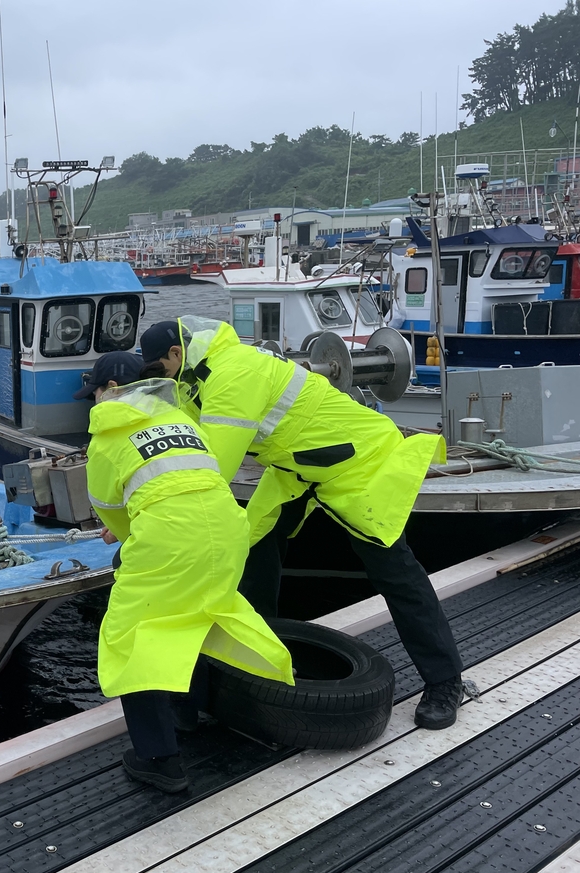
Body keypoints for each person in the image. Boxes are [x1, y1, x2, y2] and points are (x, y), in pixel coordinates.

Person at [138, 317, 466, 729]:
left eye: (157, 368)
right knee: (253, 548)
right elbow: (179, 440)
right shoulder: (191, 379)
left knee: (393, 570)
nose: (157, 378)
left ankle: (445, 682)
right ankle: (255, 664)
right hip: (297, 465)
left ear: (176, 353)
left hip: (357, 459)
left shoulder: (232, 373)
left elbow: (211, 470)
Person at [75, 351, 294, 792]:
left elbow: (111, 513)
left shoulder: (106, 439)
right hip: (228, 533)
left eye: (93, 392)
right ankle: (185, 712)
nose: (92, 401)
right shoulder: (183, 422)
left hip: (169, 543)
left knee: (133, 640)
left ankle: (158, 759)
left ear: (107, 391)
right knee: (194, 618)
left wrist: (128, 531)